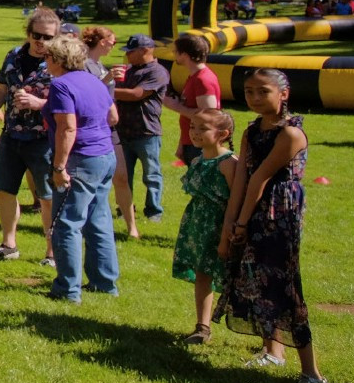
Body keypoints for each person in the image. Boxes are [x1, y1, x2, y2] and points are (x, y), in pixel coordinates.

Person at [216, 69, 325, 383]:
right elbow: (241, 181)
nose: (254, 98)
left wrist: (242, 221)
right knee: (256, 277)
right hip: (251, 209)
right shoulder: (251, 131)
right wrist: (231, 224)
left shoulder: (290, 134)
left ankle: (311, 373)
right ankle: (273, 351)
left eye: (262, 91)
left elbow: (261, 179)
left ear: (284, 94)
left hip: (279, 213)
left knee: (286, 285)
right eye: (249, 91)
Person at [41, 34, 120, 302]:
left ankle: (68, 289)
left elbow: (67, 127)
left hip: (79, 160)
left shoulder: (61, 86)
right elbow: (113, 117)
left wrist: (59, 166)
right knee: (99, 220)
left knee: (66, 223)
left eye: (47, 56)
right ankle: (105, 283)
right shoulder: (95, 81)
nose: (45, 61)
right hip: (105, 155)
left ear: (56, 59)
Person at [0, 9, 58, 262]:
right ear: (28, 33)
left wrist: (38, 103)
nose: (41, 41)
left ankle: (52, 252)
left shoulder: (60, 62)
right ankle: (9, 245)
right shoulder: (14, 56)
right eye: (37, 35)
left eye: (48, 37)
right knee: (4, 189)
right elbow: (2, 88)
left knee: (46, 196)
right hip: (11, 135)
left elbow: (72, 101)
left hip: (44, 139)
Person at [171, 108, 236, 345]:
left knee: (235, 277)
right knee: (202, 273)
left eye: (203, 128)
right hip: (198, 225)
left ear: (223, 134)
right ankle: (202, 326)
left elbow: (234, 201)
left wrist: (227, 234)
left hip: (220, 226)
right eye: (192, 127)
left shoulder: (229, 163)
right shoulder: (198, 159)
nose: (195, 133)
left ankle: (263, 334)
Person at [111, 34, 168, 236]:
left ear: (145, 50)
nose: (127, 56)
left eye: (131, 52)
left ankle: (154, 211)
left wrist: (106, 89)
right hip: (122, 131)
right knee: (123, 176)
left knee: (151, 174)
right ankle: (125, 209)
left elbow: (137, 94)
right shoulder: (128, 71)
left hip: (147, 131)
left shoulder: (158, 72)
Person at [163, 33, 222, 166]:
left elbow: (208, 115)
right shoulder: (194, 77)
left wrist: (175, 106)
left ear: (184, 54)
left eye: (175, 51)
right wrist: (182, 144)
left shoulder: (203, 79)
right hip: (192, 142)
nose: (173, 54)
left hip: (201, 144)